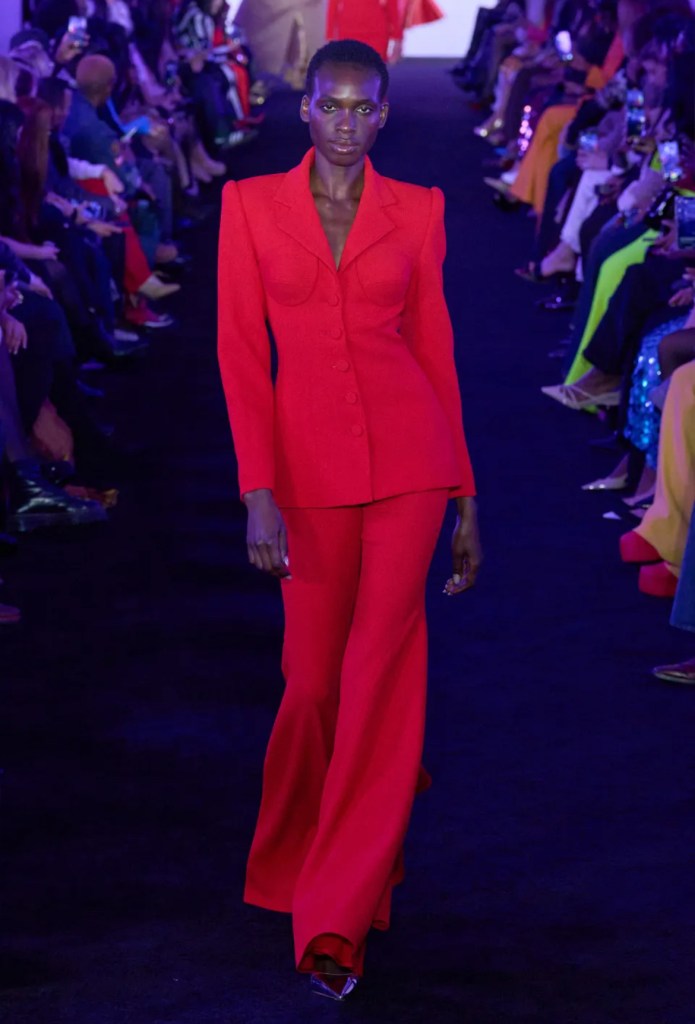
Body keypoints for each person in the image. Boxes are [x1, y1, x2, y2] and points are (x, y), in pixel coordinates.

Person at [217, 38, 481, 1000]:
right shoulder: (249, 207)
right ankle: (297, 850)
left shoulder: (420, 209)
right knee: (310, 687)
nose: (344, 123)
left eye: (362, 108)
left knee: (377, 685)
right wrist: (257, 490)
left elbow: (436, 349)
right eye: (329, 105)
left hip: (410, 468)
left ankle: (334, 918)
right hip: (304, 477)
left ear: (383, 115)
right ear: (304, 110)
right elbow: (240, 354)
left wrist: (464, 496)